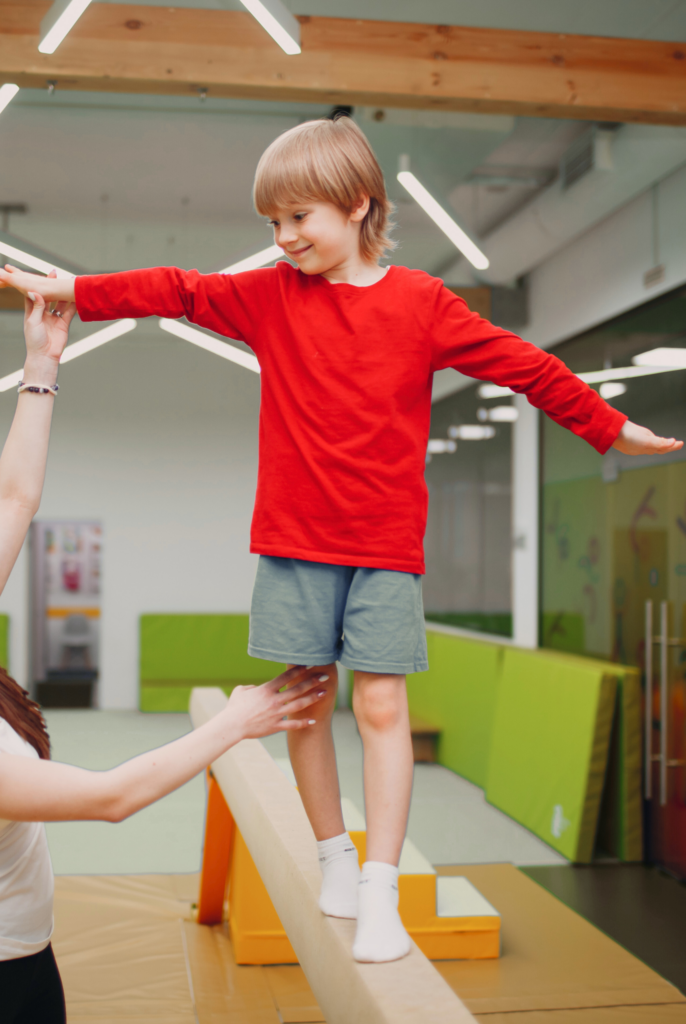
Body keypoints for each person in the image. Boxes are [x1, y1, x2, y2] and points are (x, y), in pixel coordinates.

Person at [0, 116, 681, 964]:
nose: (283, 240)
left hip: (385, 546)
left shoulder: (423, 306)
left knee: (381, 704)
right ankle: (333, 855)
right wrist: (74, 286)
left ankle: (379, 887)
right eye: (272, 224)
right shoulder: (268, 298)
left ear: (359, 205)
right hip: (292, 540)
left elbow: (523, 365)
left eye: (299, 219)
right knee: (306, 705)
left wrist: (609, 428)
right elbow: (175, 289)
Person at [0, 290, 328, 1022]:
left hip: (27, 952)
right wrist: (234, 724)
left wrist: (41, 365)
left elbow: (15, 498)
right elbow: (110, 798)